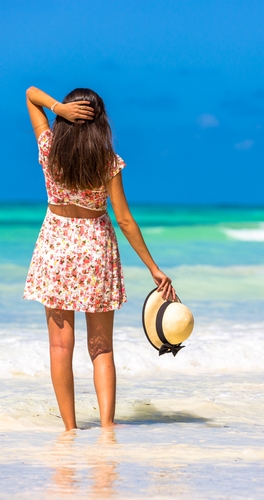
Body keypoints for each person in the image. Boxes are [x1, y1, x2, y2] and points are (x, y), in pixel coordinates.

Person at [24, 86, 176, 431]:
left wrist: (57, 108)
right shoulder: (107, 161)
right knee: (101, 348)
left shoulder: (49, 148)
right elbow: (123, 219)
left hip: (57, 248)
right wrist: (153, 267)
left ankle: (70, 429)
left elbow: (31, 94)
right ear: (101, 121)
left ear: (66, 117)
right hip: (96, 250)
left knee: (60, 346)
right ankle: (107, 427)